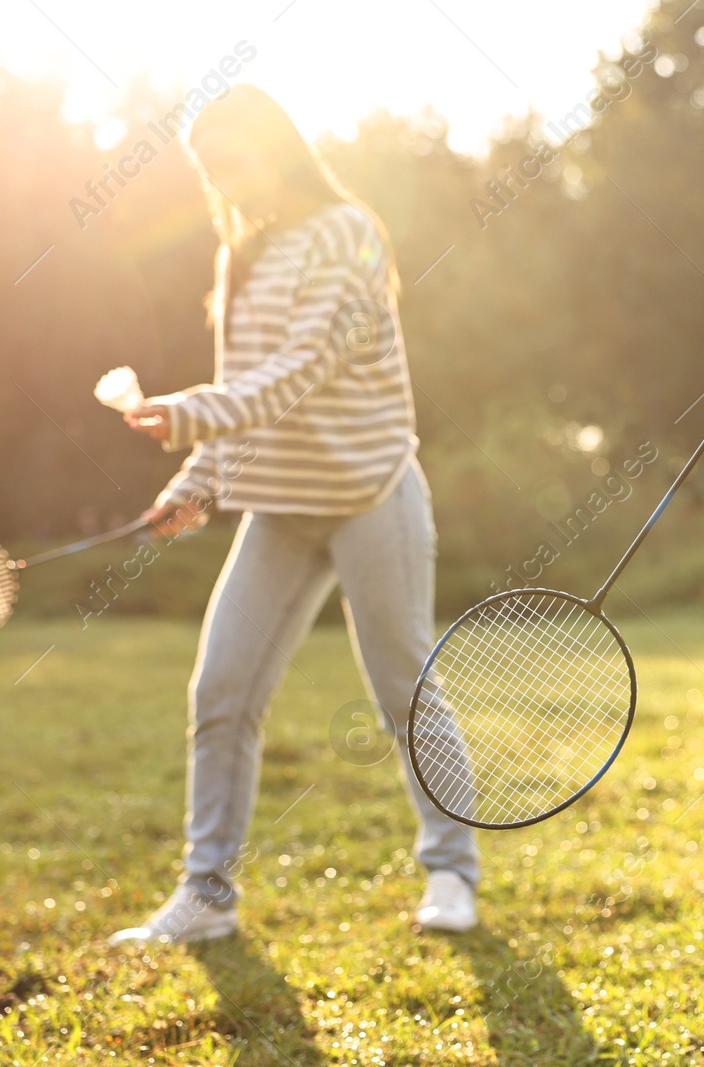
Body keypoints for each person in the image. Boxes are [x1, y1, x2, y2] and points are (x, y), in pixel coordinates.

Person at [107, 85, 479, 944]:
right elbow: (246, 387)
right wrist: (194, 483)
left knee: (402, 689)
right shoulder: (238, 255)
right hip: (280, 502)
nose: (224, 183)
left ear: (276, 149)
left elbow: (301, 368)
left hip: (370, 490)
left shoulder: (344, 235)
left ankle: (452, 871)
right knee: (221, 688)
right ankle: (205, 896)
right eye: (208, 169)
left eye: (233, 161)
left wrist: (187, 414)